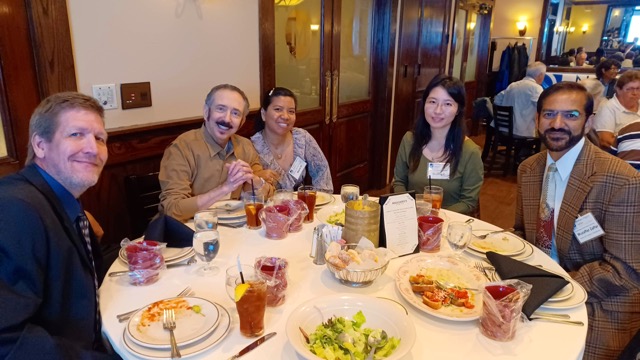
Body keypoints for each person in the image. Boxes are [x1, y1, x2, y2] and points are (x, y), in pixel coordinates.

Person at [514, 82, 640, 360]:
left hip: (599, 301)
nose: (557, 123)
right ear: (537, 120)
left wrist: (555, 286)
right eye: (548, 115)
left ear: (588, 122)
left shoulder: (621, 180)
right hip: (538, 288)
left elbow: (625, 272)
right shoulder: (529, 169)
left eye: (570, 115)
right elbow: (523, 233)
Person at [0, 92, 115, 359]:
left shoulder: (61, 202)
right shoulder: (16, 210)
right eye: (76, 134)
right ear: (40, 145)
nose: (92, 148)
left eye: (100, 139)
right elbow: (8, 341)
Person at [159, 84, 274, 222]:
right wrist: (226, 188)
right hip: (188, 233)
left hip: (233, 229)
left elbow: (266, 195)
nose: (227, 119)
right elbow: (172, 210)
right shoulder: (182, 148)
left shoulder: (245, 146)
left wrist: (254, 180)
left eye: (235, 113)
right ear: (206, 111)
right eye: (220, 109)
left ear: (242, 121)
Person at [393, 75, 484, 215]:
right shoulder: (409, 140)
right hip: (411, 220)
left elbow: (468, 202)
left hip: (449, 225)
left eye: (448, 104)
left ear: (458, 109)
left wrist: (434, 216)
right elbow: (399, 182)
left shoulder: (470, 152)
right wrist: (408, 210)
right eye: (433, 101)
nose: (438, 110)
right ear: (424, 103)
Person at [251, 87, 333, 193]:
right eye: (278, 109)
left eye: (291, 111)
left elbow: (322, 173)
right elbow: (247, 192)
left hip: (301, 206)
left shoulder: (302, 138)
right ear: (263, 114)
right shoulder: (252, 146)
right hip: (269, 207)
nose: (285, 116)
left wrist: (319, 202)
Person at [494, 61, 546, 137]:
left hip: (503, 129)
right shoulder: (536, 88)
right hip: (521, 133)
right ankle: (525, 149)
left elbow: (497, 100)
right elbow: (543, 107)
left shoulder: (512, 85)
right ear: (540, 75)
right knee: (545, 136)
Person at [593, 70, 640, 149]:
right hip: (623, 154)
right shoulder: (608, 108)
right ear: (618, 90)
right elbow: (605, 140)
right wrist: (633, 148)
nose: (635, 93)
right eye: (630, 89)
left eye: (638, 89)